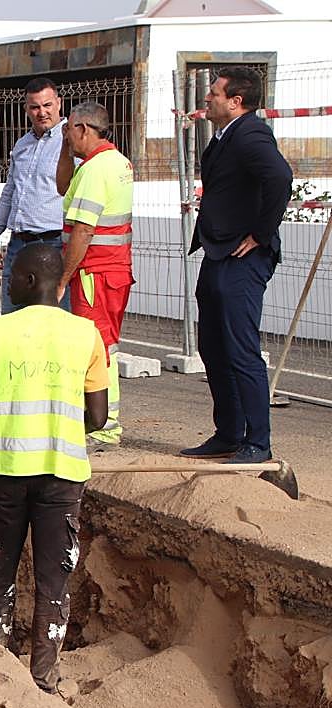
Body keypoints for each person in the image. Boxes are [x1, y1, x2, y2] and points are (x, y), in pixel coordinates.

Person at [0, 243, 109, 694]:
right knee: (53, 580)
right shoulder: (86, 334)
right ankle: (43, 679)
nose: (6, 283)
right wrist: (59, 428)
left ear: (29, 281)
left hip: (6, 471)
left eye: (11, 276)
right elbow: (98, 417)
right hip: (62, 475)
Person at [181, 66, 292, 464]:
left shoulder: (250, 133)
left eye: (214, 93)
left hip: (244, 257)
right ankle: (228, 433)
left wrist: (261, 234)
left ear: (236, 101)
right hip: (219, 252)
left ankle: (257, 442)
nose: (207, 99)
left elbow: (280, 177)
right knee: (212, 345)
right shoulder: (226, 135)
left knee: (241, 349)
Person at [56, 101, 133, 446]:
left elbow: (83, 230)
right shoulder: (116, 162)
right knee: (105, 345)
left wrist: (62, 279)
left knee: (96, 348)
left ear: (83, 129)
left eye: (69, 130)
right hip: (113, 270)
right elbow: (62, 185)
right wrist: (65, 147)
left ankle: (104, 425)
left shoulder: (94, 170)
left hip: (94, 272)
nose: (67, 136)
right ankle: (101, 419)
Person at [0, 77, 71, 314]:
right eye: (35, 107)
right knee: (12, 317)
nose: (42, 112)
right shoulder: (22, 144)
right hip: (18, 244)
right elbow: (9, 193)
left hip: (54, 244)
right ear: (26, 109)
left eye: (47, 105)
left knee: (54, 320)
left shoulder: (71, 142)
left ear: (59, 103)